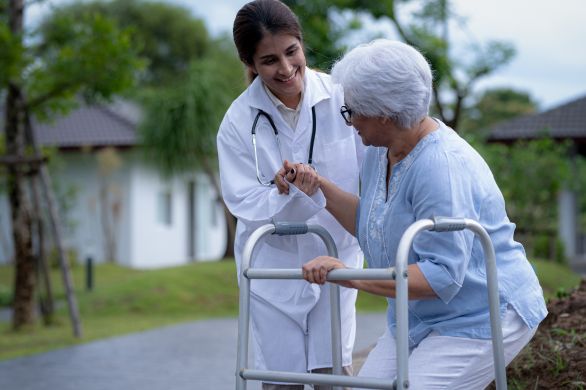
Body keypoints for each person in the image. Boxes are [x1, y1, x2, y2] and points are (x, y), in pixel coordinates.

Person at [281, 39, 548, 389]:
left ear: (385, 114)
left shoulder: (442, 167)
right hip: (419, 316)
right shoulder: (383, 149)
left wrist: (347, 275)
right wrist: (316, 186)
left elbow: (441, 276)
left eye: (353, 112)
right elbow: (373, 222)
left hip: (482, 315)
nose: (350, 122)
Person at [216, 1, 364, 388]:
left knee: (332, 371)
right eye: (268, 60)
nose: (284, 69)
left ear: (301, 44)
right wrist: (283, 193)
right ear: (249, 63)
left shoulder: (342, 98)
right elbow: (243, 201)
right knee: (282, 378)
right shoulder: (237, 121)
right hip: (273, 271)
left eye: (291, 52)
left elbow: (374, 168)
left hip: (336, 255)